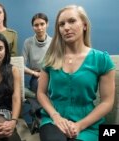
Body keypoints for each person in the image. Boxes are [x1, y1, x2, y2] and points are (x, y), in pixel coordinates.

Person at [37, 5, 115, 141]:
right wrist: (55, 117)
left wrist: (79, 125)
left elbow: (107, 102)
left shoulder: (101, 60)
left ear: (84, 25)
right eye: (61, 24)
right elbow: (41, 93)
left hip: (87, 123)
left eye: (72, 21)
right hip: (54, 120)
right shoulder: (50, 59)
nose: (66, 27)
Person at [23, 13, 52, 115]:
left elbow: (58, 63)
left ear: (47, 24)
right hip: (36, 76)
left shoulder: (53, 42)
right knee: (39, 84)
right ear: (33, 27)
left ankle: (39, 109)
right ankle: (42, 114)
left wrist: (46, 75)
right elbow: (20, 65)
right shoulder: (28, 42)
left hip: (51, 75)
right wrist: (35, 74)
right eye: (36, 25)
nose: (39, 28)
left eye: (42, 24)